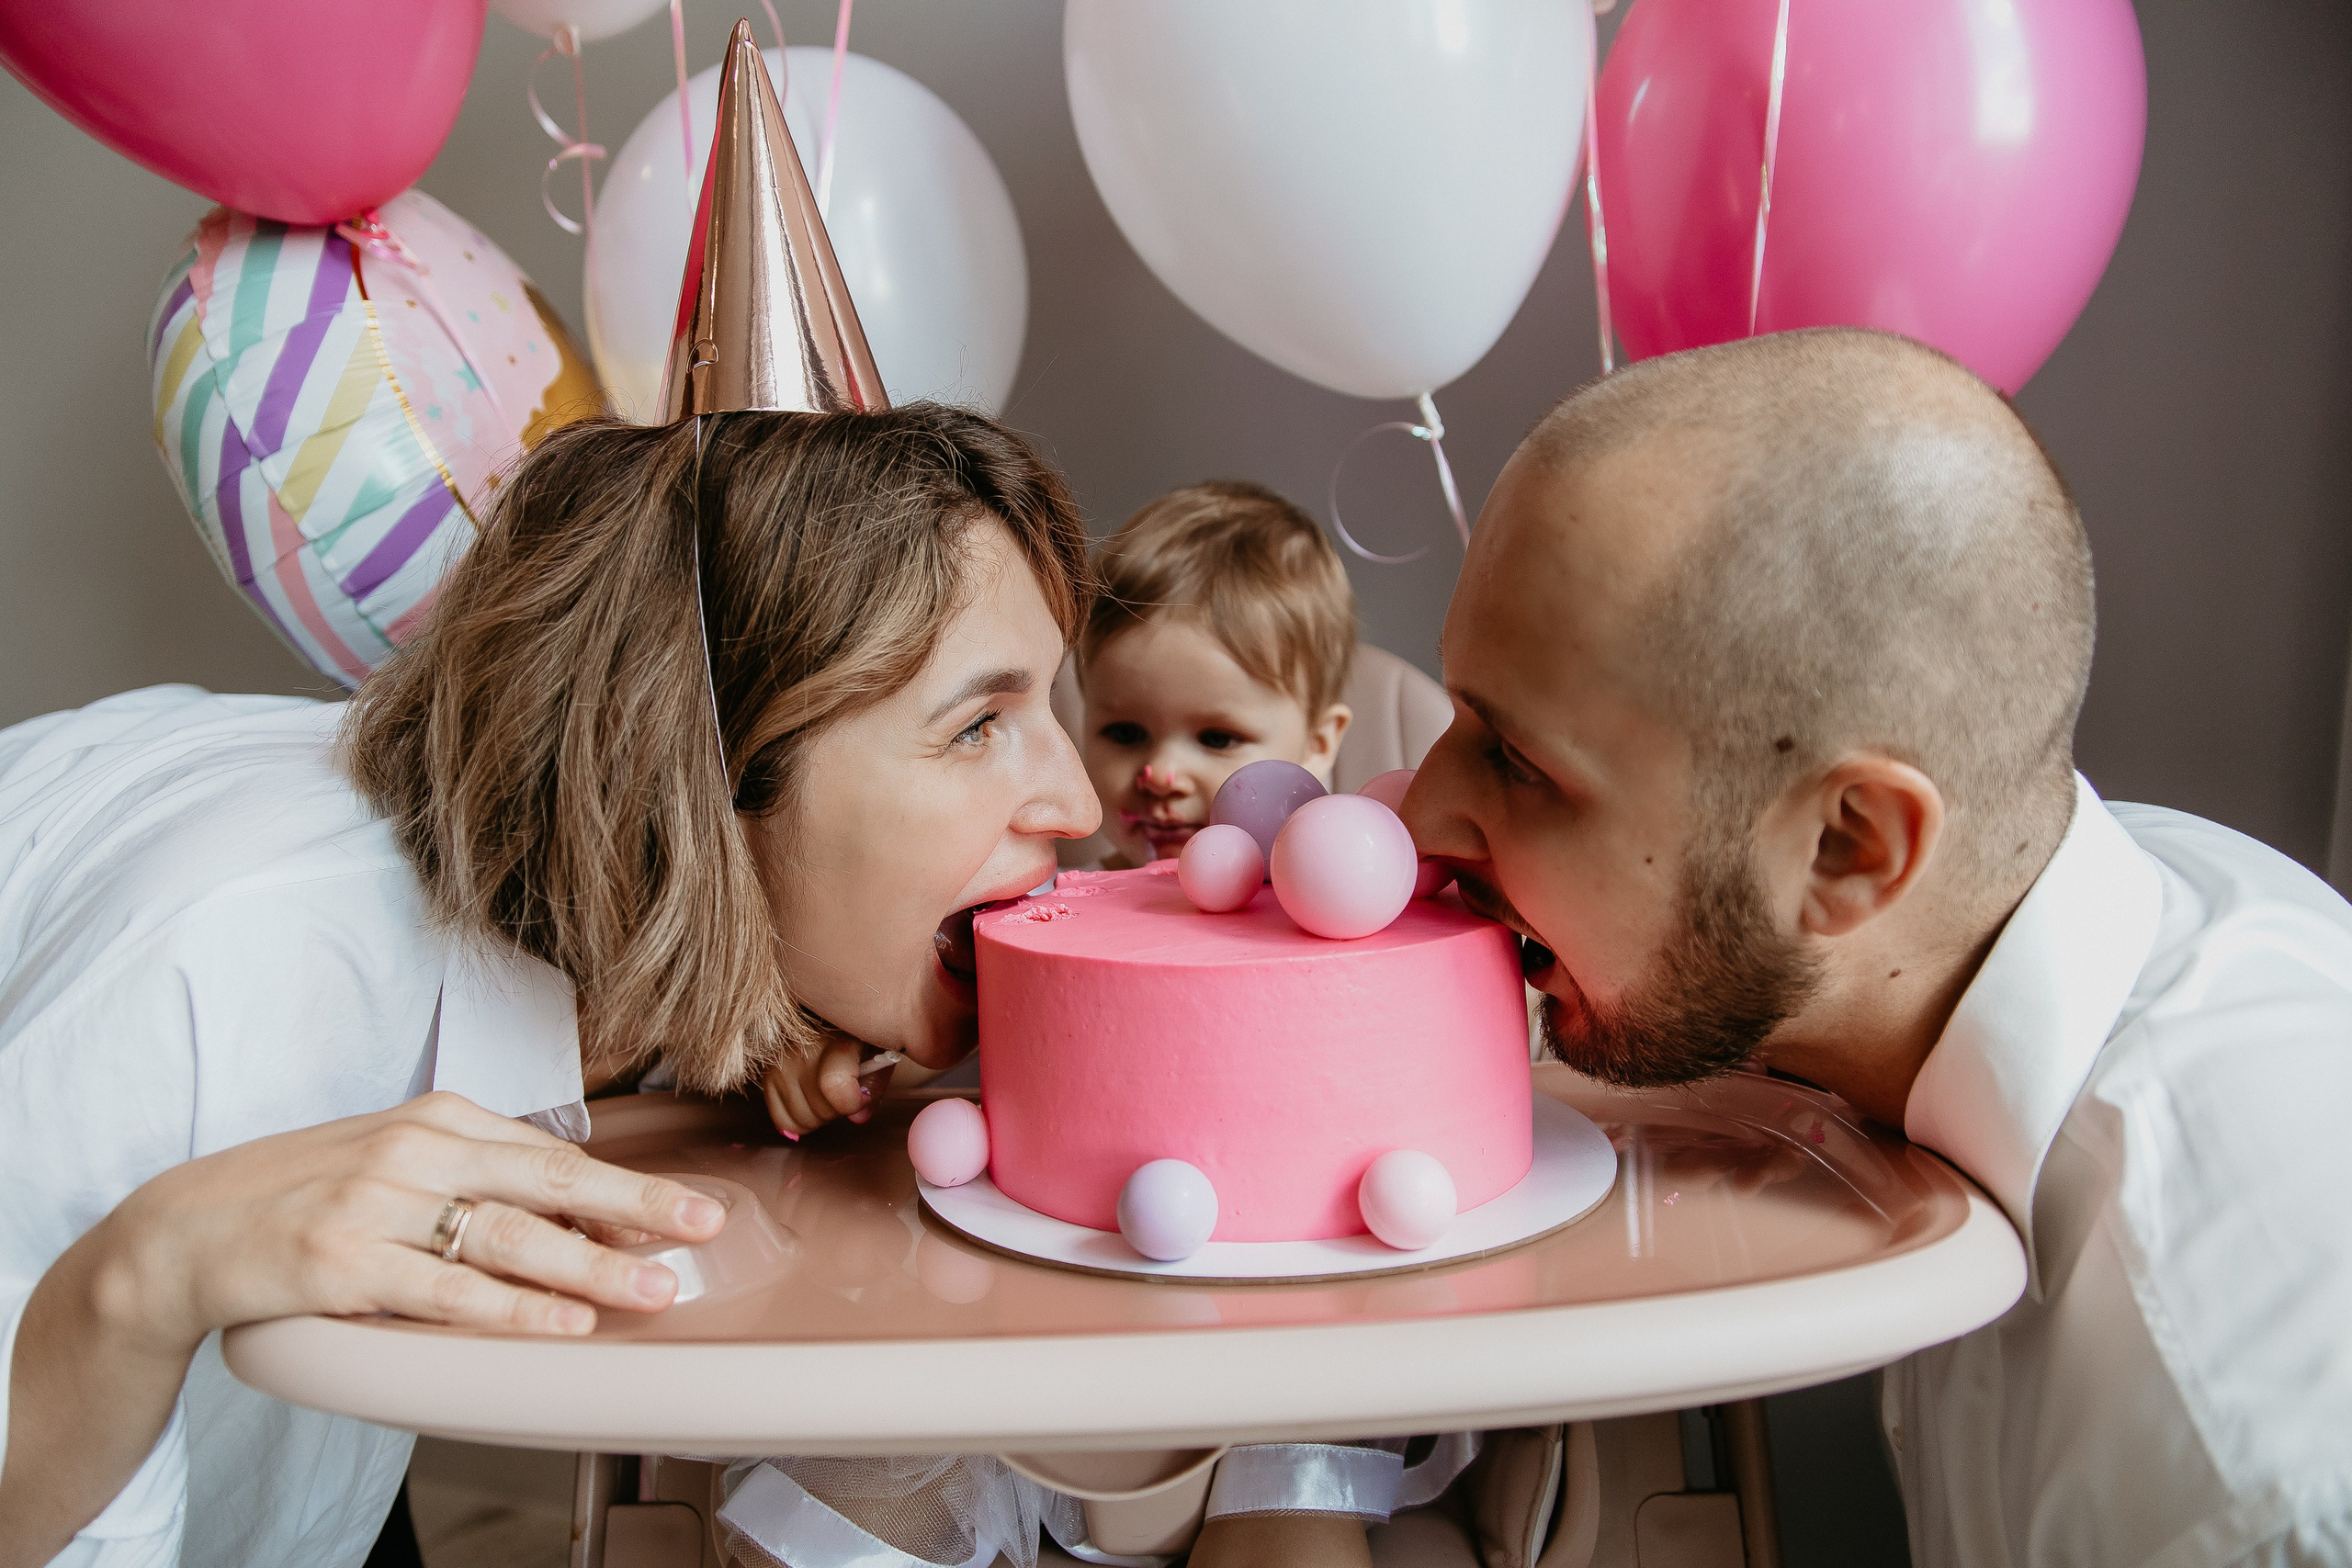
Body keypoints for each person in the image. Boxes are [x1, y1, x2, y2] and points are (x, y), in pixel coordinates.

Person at [0, 402, 1101, 1568]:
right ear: (707, 771)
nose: (1079, 805)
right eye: (979, 724)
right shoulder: (233, 968)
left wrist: (743, 1010)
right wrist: (139, 1274)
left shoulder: (636, 942)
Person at [1404, 326, 2352, 1566]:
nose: (1418, 811)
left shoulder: (2227, 1460)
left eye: (1519, 763)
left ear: (1851, 846)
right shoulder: (2045, 900)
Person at [1075, 479, 1354, 868]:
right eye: (1126, 733)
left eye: (1218, 739)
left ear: (1317, 744)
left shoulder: (1320, 908)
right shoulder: (1061, 910)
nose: (1161, 776)